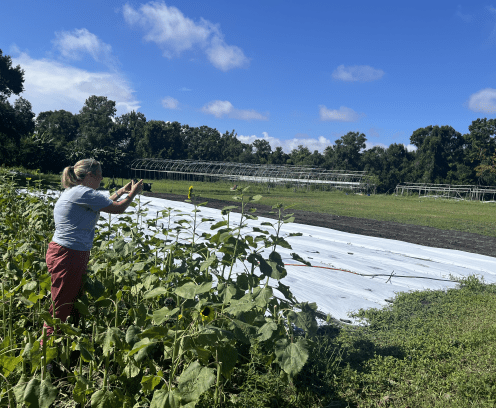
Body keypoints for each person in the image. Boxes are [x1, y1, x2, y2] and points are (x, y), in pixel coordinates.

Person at [43, 158, 143, 340]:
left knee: (70, 300)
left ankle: (64, 342)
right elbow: (118, 209)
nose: (101, 180)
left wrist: (121, 191)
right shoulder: (84, 192)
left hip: (64, 251)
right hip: (69, 254)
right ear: (90, 175)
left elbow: (103, 203)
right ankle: (46, 349)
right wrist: (133, 194)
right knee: (62, 304)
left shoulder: (75, 192)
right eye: (100, 176)